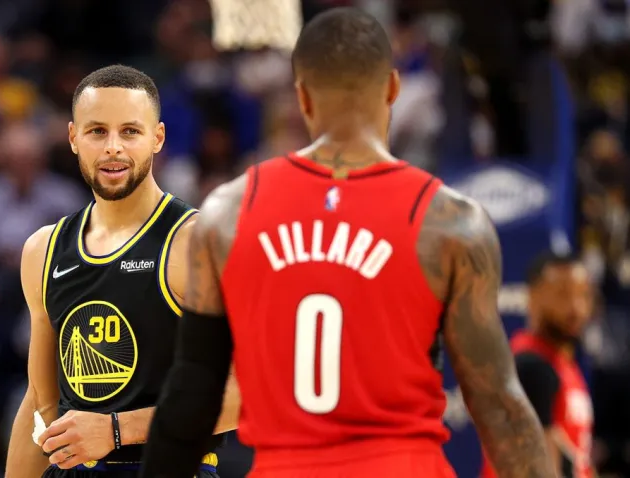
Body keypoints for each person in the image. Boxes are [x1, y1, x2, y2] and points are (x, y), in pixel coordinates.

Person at [139, 7, 554, 478]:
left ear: (302, 97)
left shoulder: (225, 214)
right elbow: (498, 404)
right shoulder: (451, 220)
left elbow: (192, 391)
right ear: (394, 89)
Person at [3, 65, 240, 478]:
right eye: (97, 131)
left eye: (130, 131)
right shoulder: (42, 250)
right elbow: (40, 407)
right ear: (74, 137)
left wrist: (115, 431)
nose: (113, 147)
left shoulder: (199, 241)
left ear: (158, 138)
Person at [482, 252, 594, 478]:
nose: (576, 307)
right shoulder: (531, 366)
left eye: (583, 295)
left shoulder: (562, 364)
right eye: (562, 295)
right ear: (532, 298)